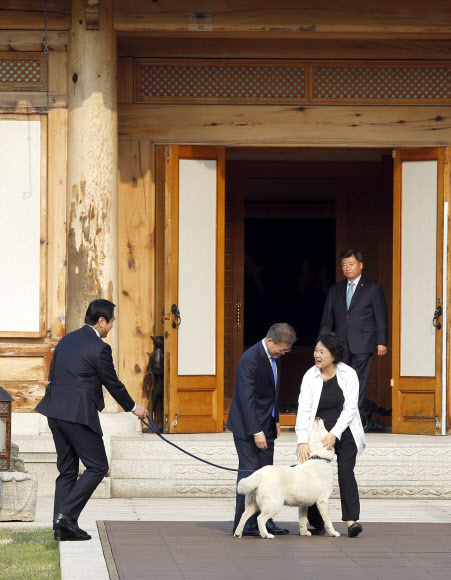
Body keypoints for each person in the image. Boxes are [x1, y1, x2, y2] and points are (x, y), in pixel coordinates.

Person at [35, 299, 149, 541]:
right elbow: (112, 382)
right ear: (101, 321)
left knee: (66, 471)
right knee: (98, 467)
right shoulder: (100, 348)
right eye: (112, 322)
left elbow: (53, 374)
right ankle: (66, 516)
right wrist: (133, 407)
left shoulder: (67, 340)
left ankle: (61, 529)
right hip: (78, 415)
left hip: (55, 412)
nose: (111, 327)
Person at [227, 322, 297, 537]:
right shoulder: (250, 359)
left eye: (287, 350)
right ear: (269, 341)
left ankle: (265, 520)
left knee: (268, 477)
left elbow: (273, 391)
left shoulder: (275, 357)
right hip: (248, 427)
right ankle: (243, 523)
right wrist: (256, 431)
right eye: (282, 348)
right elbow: (246, 399)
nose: (284, 353)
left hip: (267, 422)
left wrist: (276, 419)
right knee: (249, 473)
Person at [296, 332, 366, 537]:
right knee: (312, 473)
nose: (317, 355)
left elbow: (351, 408)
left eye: (322, 352)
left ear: (333, 355)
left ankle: (352, 520)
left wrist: (335, 433)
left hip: (345, 428)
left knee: (346, 472)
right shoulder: (310, 376)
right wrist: (302, 441)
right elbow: (304, 410)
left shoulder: (349, 374)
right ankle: (316, 521)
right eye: (316, 351)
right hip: (318, 430)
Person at [320, 249, 388, 413]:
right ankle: (339, 412)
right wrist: (322, 342)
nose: (347, 268)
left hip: (364, 342)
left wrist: (382, 342)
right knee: (340, 378)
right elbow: (327, 319)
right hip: (340, 343)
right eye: (344, 265)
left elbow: (381, 316)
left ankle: (353, 414)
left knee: (358, 379)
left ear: (361, 265)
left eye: (351, 264)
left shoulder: (372, 288)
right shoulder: (335, 289)